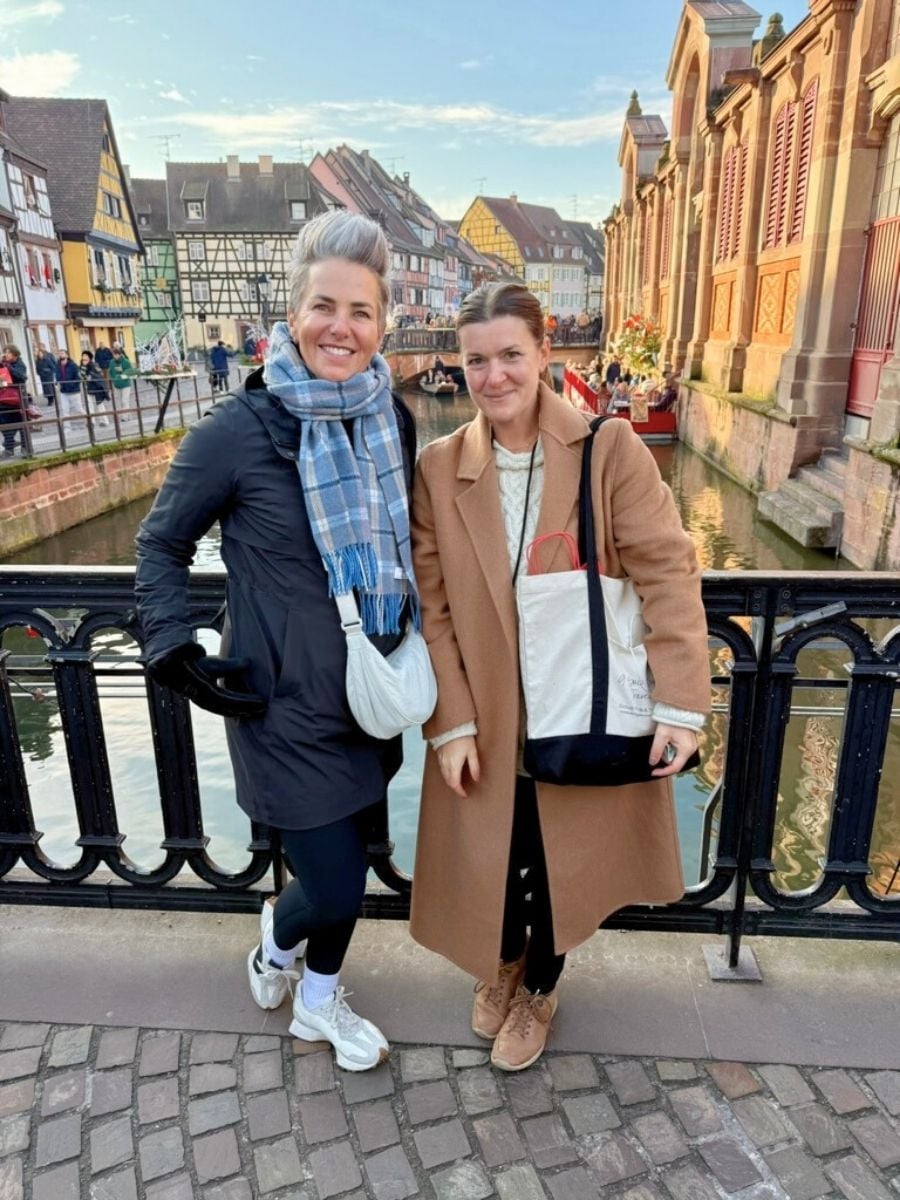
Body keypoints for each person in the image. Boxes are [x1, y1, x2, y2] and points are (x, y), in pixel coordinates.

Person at [134, 211, 418, 1073]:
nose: (343, 327)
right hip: (280, 702)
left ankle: (291, 965)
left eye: (362, 312)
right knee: (334, 884)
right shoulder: (238, 430)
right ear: (293, 313)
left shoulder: (391, 419)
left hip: (369, 689)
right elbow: (161, 543)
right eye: (325, 306)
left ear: (382, 324)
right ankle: (310, 995)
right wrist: (177, 647)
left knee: (351, 861)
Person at [409, 283, 709, 1071]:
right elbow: (431, 608)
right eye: (477, 360)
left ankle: (541, 981)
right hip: (486, 709)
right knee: (496, 853)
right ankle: (502, 957)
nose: (494, 374)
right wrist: (451, 723)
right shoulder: (440, 468)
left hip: (577, 700)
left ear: (546, 352)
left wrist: (682, 702)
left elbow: (667, 573)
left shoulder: (609, 450)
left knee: (555, 856)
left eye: (511, 354)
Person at [0, 345, 28, 458]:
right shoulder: (3, 363)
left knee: (22, 425)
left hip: (18, 398)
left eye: (8, 353)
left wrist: (9, 368)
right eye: (5, 353)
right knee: (4, 424)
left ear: (15, 354)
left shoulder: (20, 364)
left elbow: (22, 377)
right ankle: (9, 449)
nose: (6, 355)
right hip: (4, 399)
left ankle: (25, 448)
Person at [79, 350, 111, 426]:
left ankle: (105, 421)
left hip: (97, 388)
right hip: (89, 388)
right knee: (90, 406)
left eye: (86, 356)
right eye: (83, 356)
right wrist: (83, 367)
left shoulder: (95, 365)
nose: (84, 358)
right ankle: (92, 422)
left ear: (89, 358)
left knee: (100, 405)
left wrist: (92, 376)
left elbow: (100, 375)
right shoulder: (82, 366)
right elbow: (81, 377)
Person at [55, 350, 84, 425]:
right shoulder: (58, 366)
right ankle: (67, 428)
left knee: (79, 409)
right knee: (65, 411)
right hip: (64, 391)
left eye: (62, 353)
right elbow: (57, 376)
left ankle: (89, 420)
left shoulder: (73, 365)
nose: (61, 355)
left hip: (73, 391)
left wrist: (72, 385)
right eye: (59, 354)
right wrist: (58, 383)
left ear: (67, 355)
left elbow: (78, 378)